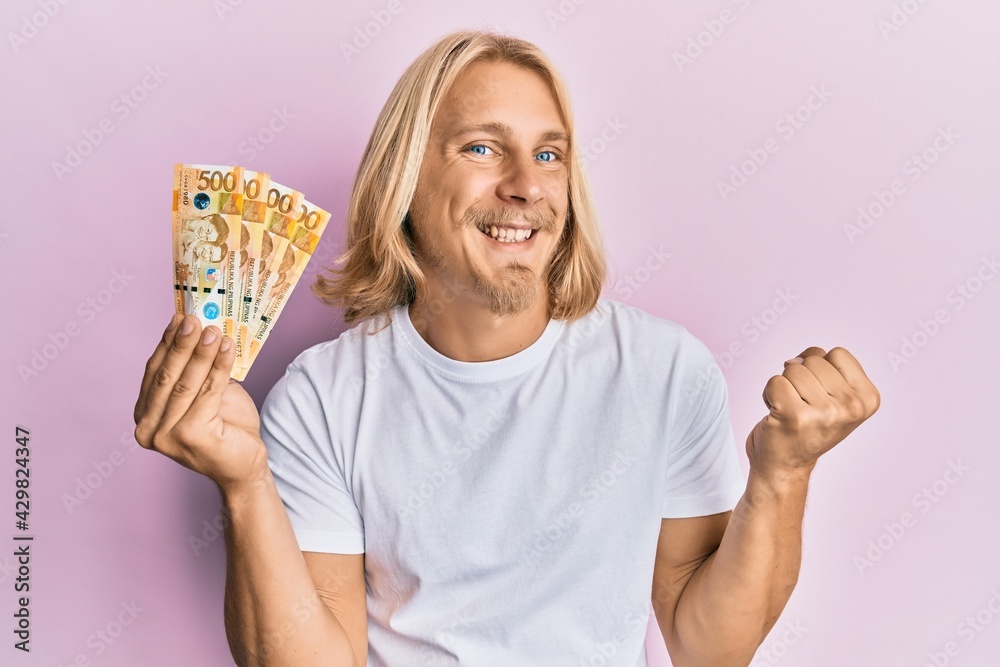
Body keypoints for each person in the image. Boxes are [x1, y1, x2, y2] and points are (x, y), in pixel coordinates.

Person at [133, 29, 880, 667]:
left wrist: (784, 472)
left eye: (549, 155)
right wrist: (245, 485)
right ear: (405, 183)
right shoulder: (323, 398)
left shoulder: (664, 371)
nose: (527, 185)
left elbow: (709, 646)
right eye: (483, 147)